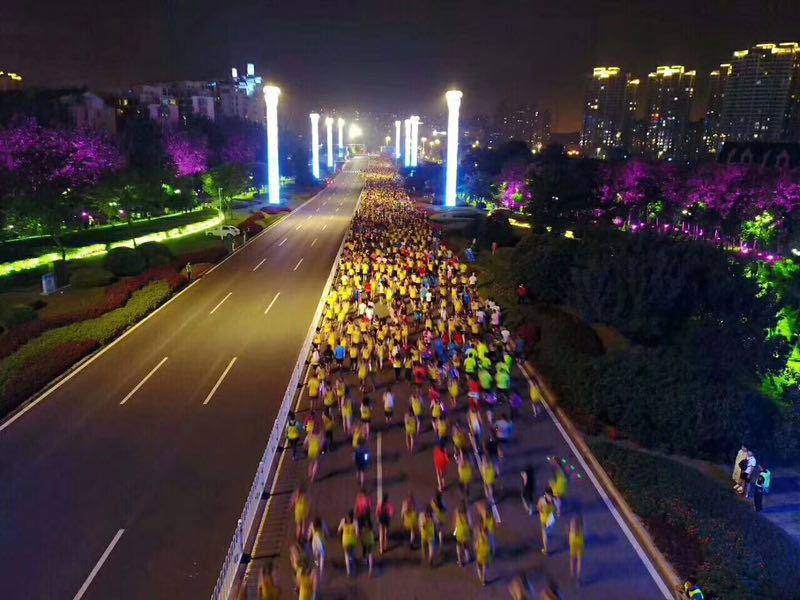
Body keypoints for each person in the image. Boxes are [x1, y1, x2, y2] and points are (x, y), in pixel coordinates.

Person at [338, 510, 358, 577]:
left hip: (345, 540)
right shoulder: (355, 522)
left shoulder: (343, 521)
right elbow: (357, 533)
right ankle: (353, 564)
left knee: (346, 555)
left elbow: (339, 530)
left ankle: (348, 571)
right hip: (352, 540)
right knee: (352, 552)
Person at [537, 488, 557, 555]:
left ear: (546, 494)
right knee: (549, 530)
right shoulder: (555, 500)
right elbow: (556, 510)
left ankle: (545, 549)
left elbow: (539, 508)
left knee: (544, 534)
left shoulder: (542, 500)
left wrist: (542, 511)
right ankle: (548, 533)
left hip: (544, 519)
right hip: (551, 519)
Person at [569, 514, 585, 585]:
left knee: (573, 558)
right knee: (580, 560)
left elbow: (571, 530)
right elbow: (581, 529)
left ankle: (572, 573)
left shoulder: (572, 524)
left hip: (573, 541)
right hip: (580, 541)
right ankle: (578, 578)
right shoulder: (580, 524)